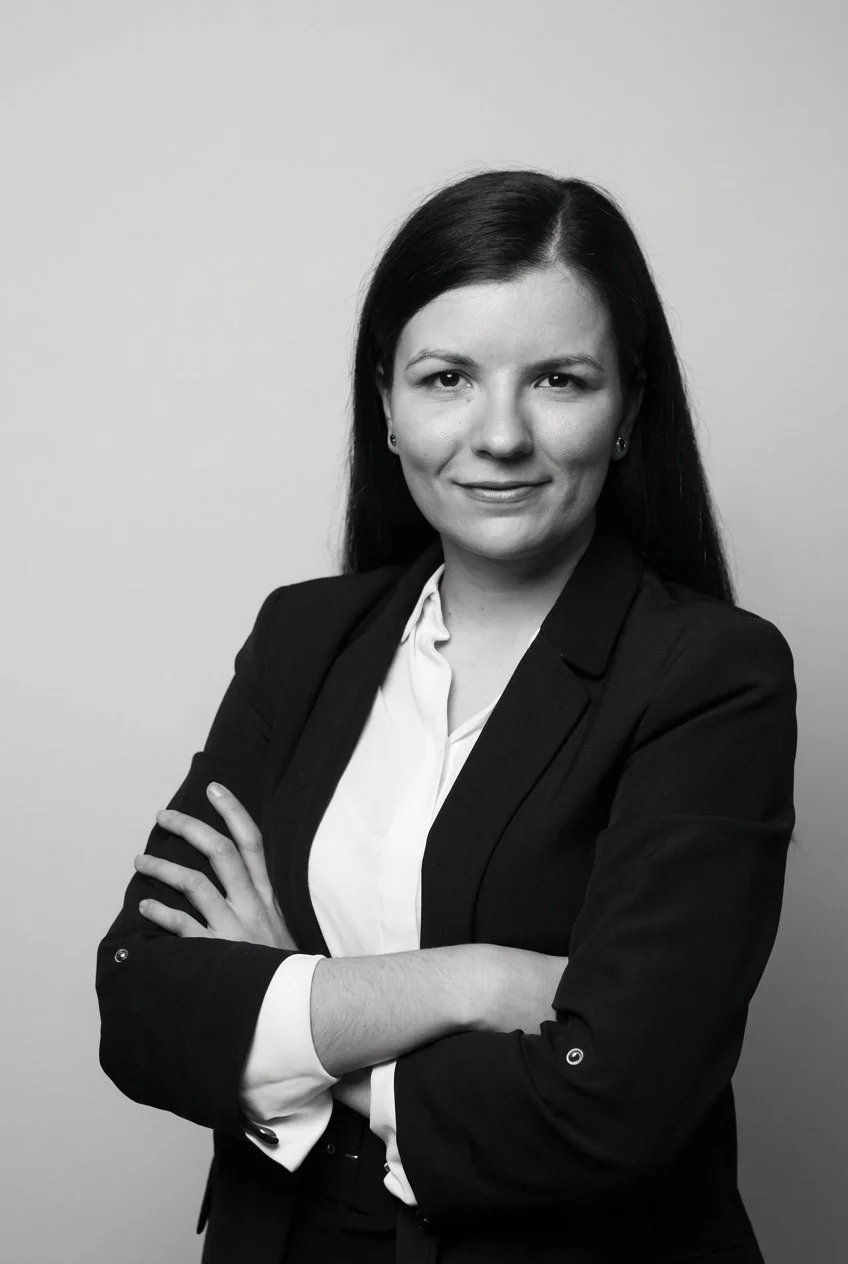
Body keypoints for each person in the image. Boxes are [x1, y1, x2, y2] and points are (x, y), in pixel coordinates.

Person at [96, 170, 797, 1264]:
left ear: (628, 414)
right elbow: (142, 1006)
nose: (500, 433)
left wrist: (289, 1007)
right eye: (446, 378)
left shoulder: (710, 674)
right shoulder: (302, 639)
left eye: (559, 379)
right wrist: (472, 981)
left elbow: (620, 1094)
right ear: (384, 405)